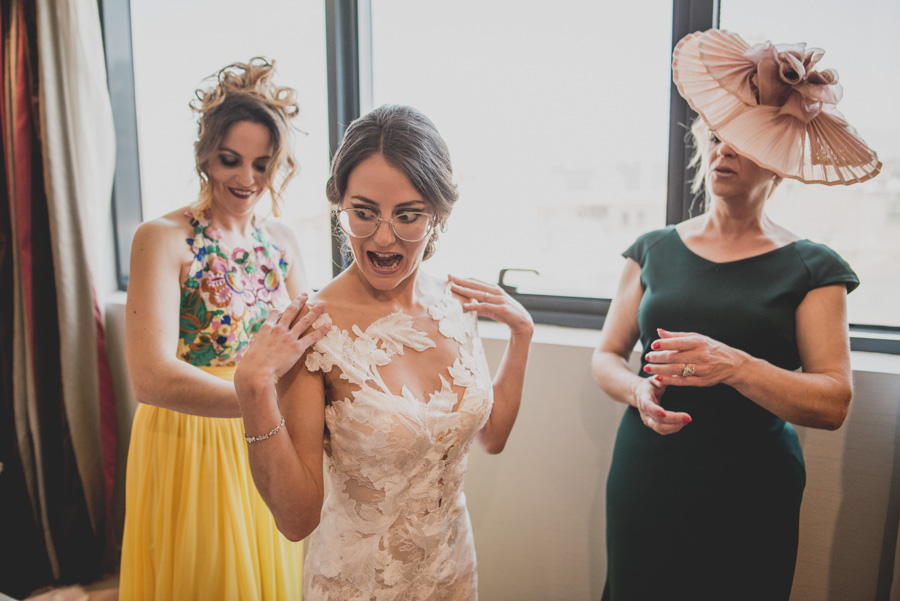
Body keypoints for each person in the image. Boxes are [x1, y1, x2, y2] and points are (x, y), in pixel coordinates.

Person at [592, 29, 880, 601]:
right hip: (650, 469)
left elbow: (833, 402)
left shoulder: (813, 268)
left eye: (742, 142)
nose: (723, 151)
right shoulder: (653, 249)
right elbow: (606, 356)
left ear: (777, 163)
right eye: (717, 138)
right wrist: (637, 394)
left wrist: (735, 365)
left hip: (753, 484)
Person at [234, 104, 534, 600]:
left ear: (437, 214)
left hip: (452, 568)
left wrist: (522, 336)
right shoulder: (313, 327)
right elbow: (296, 519)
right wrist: (251, 390)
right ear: (340, 206)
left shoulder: (457, 304)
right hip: (359, 583)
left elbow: (492, 436)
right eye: (364, 212)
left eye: (408, 215)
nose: (383, 237)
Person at [119, 58, 324, 600]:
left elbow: (310, 345)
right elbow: (151, 377)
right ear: (204, 154)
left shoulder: (281, 240)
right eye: (231, 160)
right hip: (192, 441)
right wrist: (257, 399)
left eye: (263, 164)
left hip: (268, 435)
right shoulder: (160, 238)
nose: (247, 179)